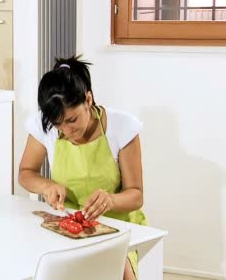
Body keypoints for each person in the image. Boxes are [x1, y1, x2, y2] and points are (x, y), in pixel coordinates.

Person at [18, 55, 147, 280]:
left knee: (118, 270)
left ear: (88, 100)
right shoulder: (46, 124)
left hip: (117, 226)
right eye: (58, 124)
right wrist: (46, 185)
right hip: (66, 224)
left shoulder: (122, 127)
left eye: (72, 120)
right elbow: (25, 173)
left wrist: (111, 200)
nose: (66, 131)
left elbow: (136, 195)